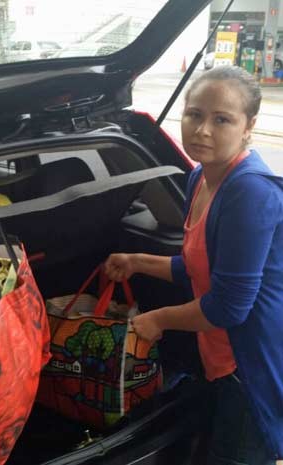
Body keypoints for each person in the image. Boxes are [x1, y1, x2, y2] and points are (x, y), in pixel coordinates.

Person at [104, 66, 283, 464]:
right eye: (195, 114)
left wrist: (158, 320)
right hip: (218, 354)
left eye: (222, 119)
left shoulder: (249, 191)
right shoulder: (201, 176)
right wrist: (136, 261)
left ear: (248, 126)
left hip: (251, 367)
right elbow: (194, 267)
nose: (202, 130)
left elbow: (228, 306)